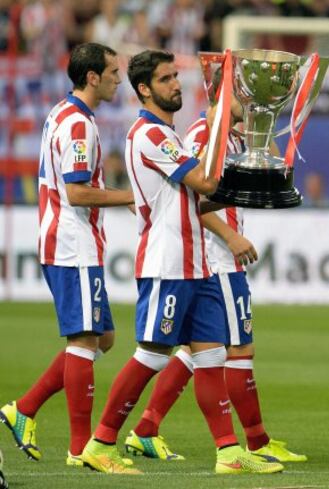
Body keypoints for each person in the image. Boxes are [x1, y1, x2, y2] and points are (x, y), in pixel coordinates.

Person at [81, 49, 283, 476]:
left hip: (197, 264)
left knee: (210, 359)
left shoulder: (168, 136)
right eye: (165, 79)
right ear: (144, 89)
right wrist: (218, 130)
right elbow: (205, 182)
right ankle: (101, 442)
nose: (176, 84)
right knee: (151, 355)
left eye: (176, 76)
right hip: (167, 262)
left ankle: (228, 452)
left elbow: (206, 192)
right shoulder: (150, 135)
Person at [124, 96, 307, 464]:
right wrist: (230, 236)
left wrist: (263, 122)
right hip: (215, 255)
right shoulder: (201, 134)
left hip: (216, 257)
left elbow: (274, 172)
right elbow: (190, 197)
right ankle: (256, 442)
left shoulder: (236, 137)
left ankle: (146, 428)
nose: (252, 101)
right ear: (226, 95)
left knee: (200, 349)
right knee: (238, 350)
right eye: (245, 94)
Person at [0, 42, 134, 468]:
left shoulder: (63, 112)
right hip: (71, 243)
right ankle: (81, 450)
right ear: (92, 77)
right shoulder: (78, 125)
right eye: (113, 71)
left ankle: (23, 410)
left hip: (71, 241)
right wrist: (131, 196)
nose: (119, 77)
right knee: (84, 341)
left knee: (103, 338)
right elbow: (76, 192)